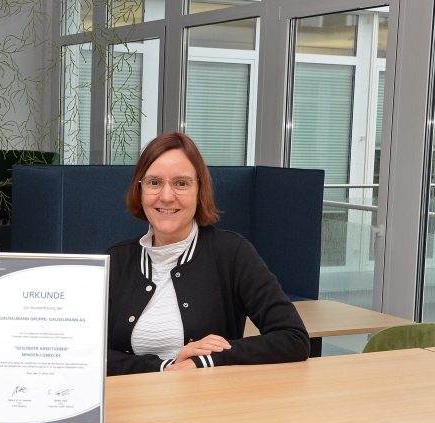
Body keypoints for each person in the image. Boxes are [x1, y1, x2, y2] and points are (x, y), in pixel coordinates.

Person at [107, 132, 310, 375]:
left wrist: (204, 360)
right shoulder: (115, 261)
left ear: (199, 189)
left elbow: (293, 338)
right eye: (154, 183)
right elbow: (83, 352)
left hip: (206, 405)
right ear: (139, 190)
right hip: (129, 407)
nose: (167, 196)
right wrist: (166, 367)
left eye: (181, 183)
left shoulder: (231, 254)